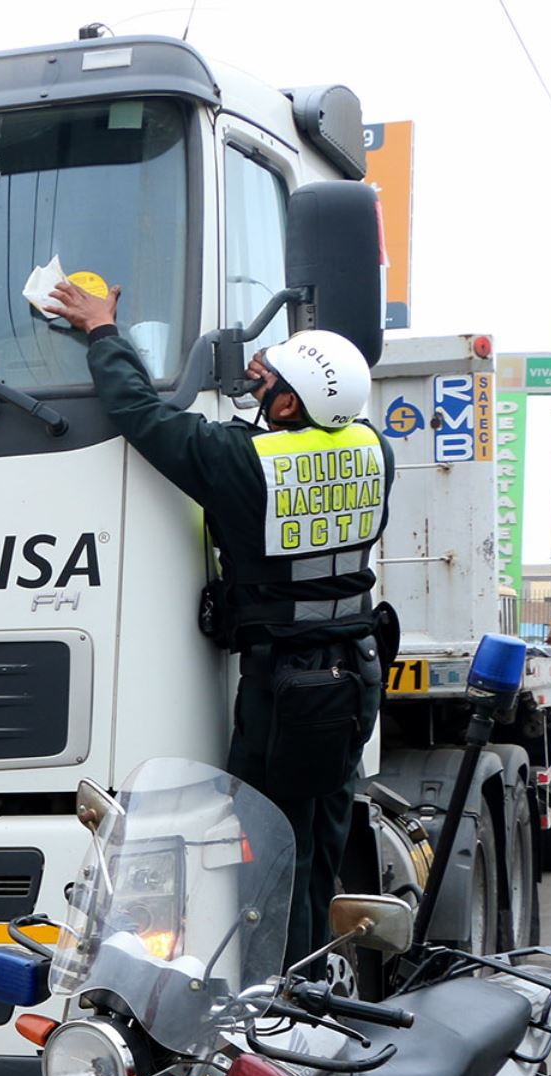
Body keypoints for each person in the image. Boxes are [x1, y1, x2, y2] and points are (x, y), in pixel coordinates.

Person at [49, 276, 396, 969]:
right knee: (323, 845)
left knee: (270, 855)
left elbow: (141, 414)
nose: (256, 378)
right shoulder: (371, 450)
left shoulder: (243, 463)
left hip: (286, 690)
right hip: (355, 673)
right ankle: (319, 986)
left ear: (291, 401)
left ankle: (276, 1010)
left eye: (268, 376)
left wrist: (102, 332)